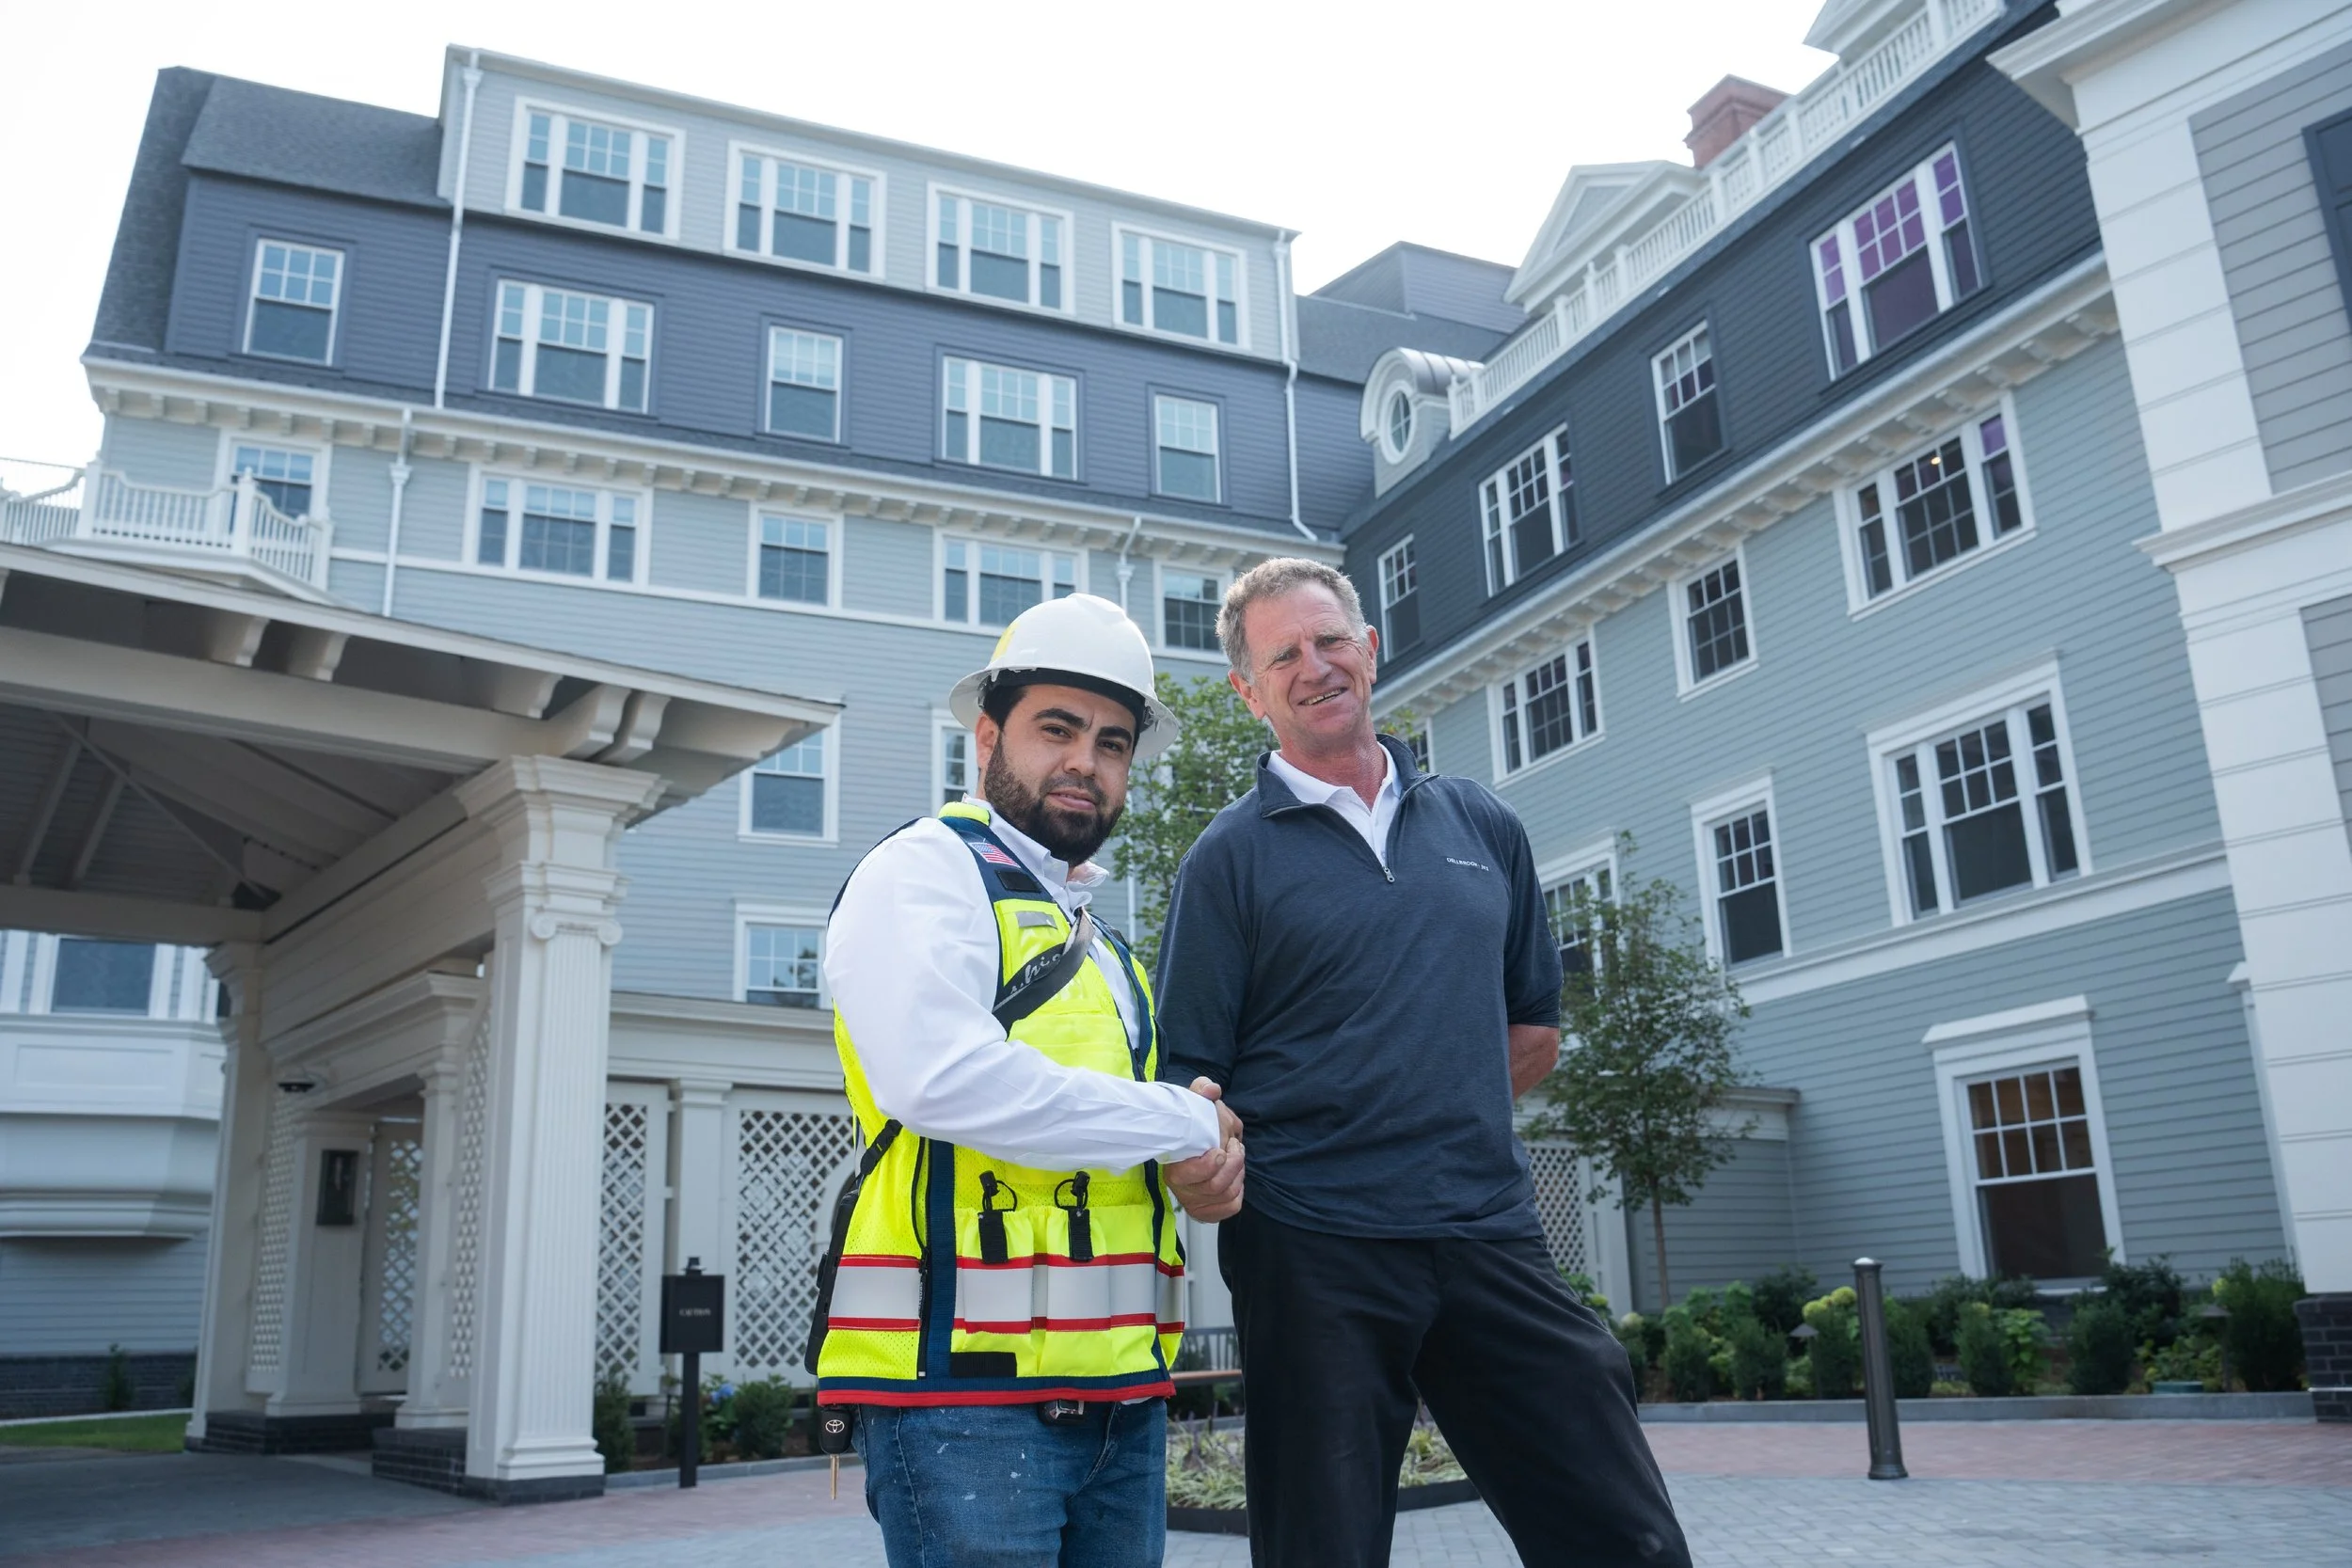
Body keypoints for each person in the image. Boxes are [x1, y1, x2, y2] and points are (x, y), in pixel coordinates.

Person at [1154, 559, 1691, 1568]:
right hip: (1314, 1251)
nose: (1315, 666)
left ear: (1366, 646)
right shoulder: (1227, 859)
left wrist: (1432, 1104)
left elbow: (1531, 1029)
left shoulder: (1480, 823)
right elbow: (1192, 1073)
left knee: (1625, 1531)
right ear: (1249, 691)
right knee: (1325, 1548)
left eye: (1330, 640)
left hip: (1485, 1228)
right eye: (1284, 656)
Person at [815, 592, 1245, 1568]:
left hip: (1123, 1403)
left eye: (1113, 742)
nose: (1086, 762)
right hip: (961, 1401)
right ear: (986, 735)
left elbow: (1129, 1151)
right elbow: (943, 1080)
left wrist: (1196, 1172)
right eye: (1056, 728)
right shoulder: (924, 871)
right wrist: (1178, 1118)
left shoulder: (1110, 955)